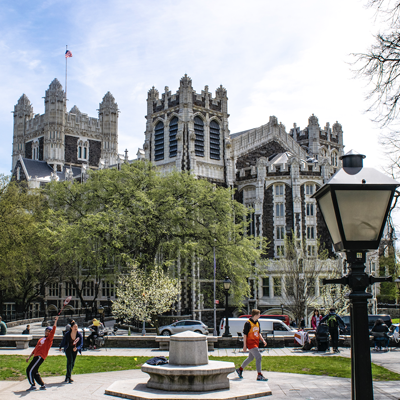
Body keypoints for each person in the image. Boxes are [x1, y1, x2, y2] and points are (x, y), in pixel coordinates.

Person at [26, 316, 59, 391]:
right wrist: (29, 356)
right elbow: (35, 349)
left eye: (49, 331)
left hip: (40, 357)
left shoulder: (49, 340)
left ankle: (33, 385)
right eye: (46, 330)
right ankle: (42, 385)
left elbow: (53, 330)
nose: (47, 332)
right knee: (34, 371)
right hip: (36, 356)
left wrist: (55, 321)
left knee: (29, 370)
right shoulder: (41, 339)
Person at [236, 309, 268, 381]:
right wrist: (244, 345)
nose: (260, 316)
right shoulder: (248, 323)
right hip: (250, 343)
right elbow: (245, 335)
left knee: (250, 358)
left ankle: (240, 369)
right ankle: (259, 375)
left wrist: (263, 340)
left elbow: (258, 333)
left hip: (256, 343)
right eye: (259, 315)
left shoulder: (257, 323)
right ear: (255, 315)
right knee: (258, 357)